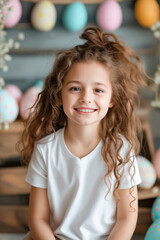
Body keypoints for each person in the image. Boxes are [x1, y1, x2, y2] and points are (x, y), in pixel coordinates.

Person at [21, 26, 147, 240]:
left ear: (112, 99)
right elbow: (38, 220)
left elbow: (126, 218)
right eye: (75, 88)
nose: (86, 98)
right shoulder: (46, 150)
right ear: (59, 95)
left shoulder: (121, 151)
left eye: (98, 90)